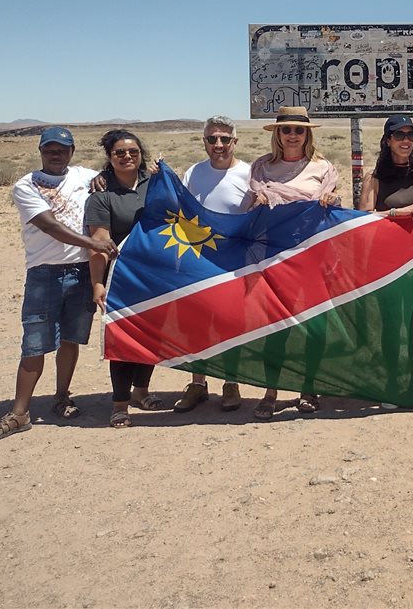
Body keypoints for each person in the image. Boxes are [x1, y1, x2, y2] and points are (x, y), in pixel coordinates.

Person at [0, 128, 118, 442]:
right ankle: (20, 412)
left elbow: (111, 175)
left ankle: (61, 397)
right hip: (44, 272)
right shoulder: (25, 185)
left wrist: (103, 176)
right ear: (41, 151)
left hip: (82, 271)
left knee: (70, 339)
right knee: (34, 343)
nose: (56, 155)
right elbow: (49, 225)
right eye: (50, 150)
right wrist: (92, 243)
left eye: (62, 149)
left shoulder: (84, 175)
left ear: (72, 151)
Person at [247, 106, 341, 419]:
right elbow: (250, 212)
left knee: (314, 325)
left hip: (313, 256)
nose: (292, 135)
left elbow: (334, 208)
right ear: (277, 134)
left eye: (298, 130)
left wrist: (332, 201)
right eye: (285, 130)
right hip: (273, 256)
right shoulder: (261, 168)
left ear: (307, 134)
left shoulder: (322, 167)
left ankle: (308, 387)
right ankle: (270, 390)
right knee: (275, 327)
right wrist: (256, 202)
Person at [172, 116, 252, 414]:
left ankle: (230, 381)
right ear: (204, 141)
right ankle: (198, 383)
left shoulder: (249, 173)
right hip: (197, 259)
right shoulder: (193, 172)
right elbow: (178, 211)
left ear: (235, 141)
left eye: (224, 139)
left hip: (234, 262)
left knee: (229, 324)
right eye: (211, 139)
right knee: (197, 325)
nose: (218, 145)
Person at [86, 129, 160, 428]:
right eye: (119, 153)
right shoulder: (101, 195)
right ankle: (119, 403)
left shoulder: (153, 183)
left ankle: (141, 392)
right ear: (109, 156)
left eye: (133, 152)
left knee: (151, 335)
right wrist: (98, 283)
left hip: (156, 275)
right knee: (123, 338)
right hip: (121, 277)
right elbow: (100, 241)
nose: (127, 156)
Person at [358, 115, 413, 371]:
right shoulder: (375, 178)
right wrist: (396, 213)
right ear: (387, 141)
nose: (406, 141)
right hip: (387, 259)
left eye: (410, 135)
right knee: (389, 320)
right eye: (399, 135)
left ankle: (412, 381)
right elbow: (363, 217)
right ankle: (391, 378)